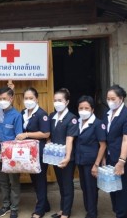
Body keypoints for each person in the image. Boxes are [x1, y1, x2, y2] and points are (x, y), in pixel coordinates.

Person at [103, 85, 127, 218]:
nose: (110, 101)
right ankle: (119, 213)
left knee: (123, 190)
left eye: (113, 98)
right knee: (113, 188)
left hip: (125, 160)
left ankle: (122, 215)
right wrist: (104, 157)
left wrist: (121, 161)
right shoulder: (107, 114)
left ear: (121, 98)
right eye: (108, 98)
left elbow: (126, 140)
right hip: (111, 157)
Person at [15, 87, 50, 218]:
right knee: (34, 179)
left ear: (37, 99)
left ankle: (39, 210)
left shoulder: (42, 114)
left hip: (39, 152)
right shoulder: (23, 112)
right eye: (26, 98)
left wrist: (27, 134)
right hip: (28, 152)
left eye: (31, 98)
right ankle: (45, 204)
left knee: (40, 180)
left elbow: (46, 133)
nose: (28, 101)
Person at [74, 95, 107, 218]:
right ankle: (88, 209)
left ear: (92, 109)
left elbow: (102, 145)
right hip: (80, 160)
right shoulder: (77, 122)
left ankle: (92, 213)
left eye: (86, 108)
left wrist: (96, 164)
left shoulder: (98, 124)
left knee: (91, 189)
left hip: (91, 162)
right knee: (84, 187)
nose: (83, 110)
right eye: (81, 108)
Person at [0, 86, 23, 218]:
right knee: (3, 181)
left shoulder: (17, 115)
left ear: (11, 99)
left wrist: (9, 153)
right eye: (0, 99)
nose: (2, 101)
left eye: (4, 98)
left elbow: (18, 137)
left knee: (14, 182)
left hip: (12, 153)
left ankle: (14, 208)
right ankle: (6, 205)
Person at [49, 88, 77, 218]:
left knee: (67, 184)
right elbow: (49, 135)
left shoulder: (72, 119)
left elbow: (69, 139)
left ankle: (66, 212)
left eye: (60, 100)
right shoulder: (51, 116)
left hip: (66, 158)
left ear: (67, 102)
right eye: (55, 100)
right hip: (55, 157)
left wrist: (67, 157)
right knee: (61, 184)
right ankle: (62, 209)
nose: (57, 103)